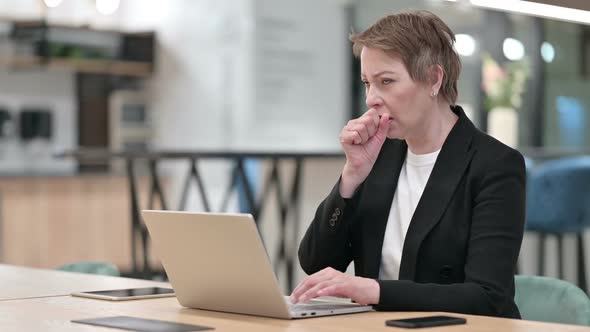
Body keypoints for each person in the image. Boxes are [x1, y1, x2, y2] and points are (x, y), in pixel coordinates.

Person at [290, 10, 525, 318]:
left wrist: (372, 290)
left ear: (433, 79)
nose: (372, 98)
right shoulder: (379, 157)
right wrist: (351, 176)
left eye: (386, 81)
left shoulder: (495, 165)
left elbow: (487, 297)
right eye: (367, 83)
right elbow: (316, 262)